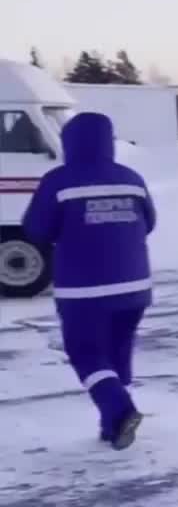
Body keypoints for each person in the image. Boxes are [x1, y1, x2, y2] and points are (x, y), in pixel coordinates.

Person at [22, 112, 156, 449]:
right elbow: (150, 221)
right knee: (115, 353)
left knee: (85, 353)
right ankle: (111, 426)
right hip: (135, 289)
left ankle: (120, 410)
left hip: (85, 290)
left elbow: (36, 229)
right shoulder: (132, 178)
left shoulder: (59, 180)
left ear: (70, 143)